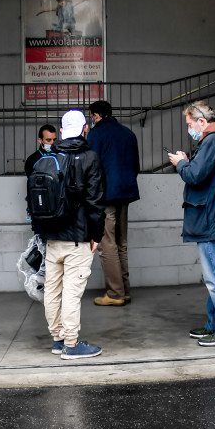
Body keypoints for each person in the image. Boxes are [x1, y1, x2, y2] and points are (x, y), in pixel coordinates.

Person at [167, 101, 215, 346]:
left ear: (202, 122)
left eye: (190, 124)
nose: (189, 129)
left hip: (209, 218)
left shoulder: (212, 142)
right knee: (213, 275)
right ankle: (214, 325)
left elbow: (194, 176)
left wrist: (181, 163)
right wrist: (189, 162)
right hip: (214, 215)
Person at [32, 109, 107, 359]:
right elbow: (96, 202)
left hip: (53, 238)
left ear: (62, 132)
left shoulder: (51, 157)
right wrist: (97, 234)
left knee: (53, 290)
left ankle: (57, 339)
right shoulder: (90, 158)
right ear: (85, 129)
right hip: (78, 237)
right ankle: (72, 345)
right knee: (72, 293)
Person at [87, 100, 141, 306]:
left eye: (92, 116)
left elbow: (91, 168)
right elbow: (136, 165)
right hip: (125, 193)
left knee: (106, 244)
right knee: (121, 243)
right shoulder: (128, 134)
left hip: (105, 195)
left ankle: (115, 293)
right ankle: (124, 290)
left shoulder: (95, 135)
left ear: (96, 115)